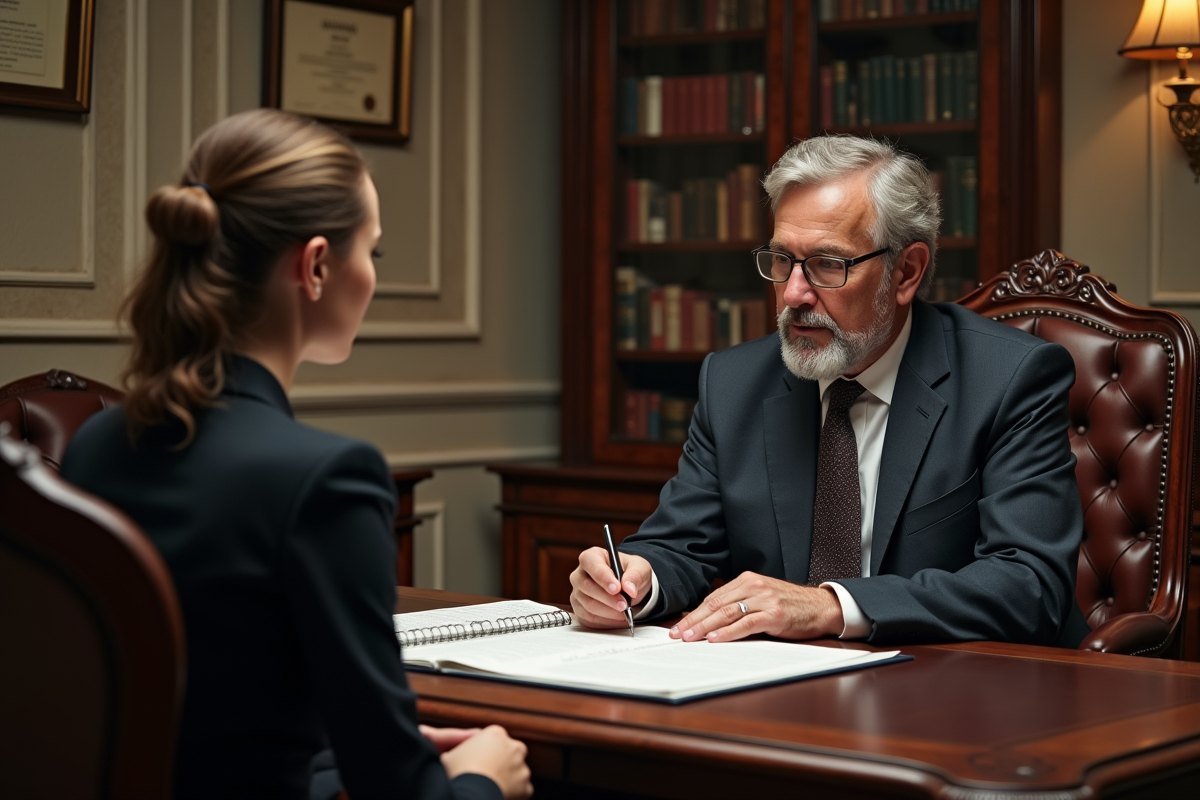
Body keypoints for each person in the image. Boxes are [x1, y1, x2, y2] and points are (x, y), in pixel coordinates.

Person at [61, 109, 532, 800]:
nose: (371, 273)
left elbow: (209, 724)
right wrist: (483, 779)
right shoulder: (325, 479)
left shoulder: (94, 446)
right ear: (315, 266)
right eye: (371, 250)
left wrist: (360, 749)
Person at [570, 134, 1089, 649]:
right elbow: (682, 544)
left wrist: (832, 606)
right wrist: (635, 580)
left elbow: (1029, 584)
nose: (794, 292)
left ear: (906, 272)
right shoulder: (733, 383)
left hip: (959, 690)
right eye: (781, 260)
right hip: (776, 691)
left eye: (827, 264)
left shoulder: (1009, 378)